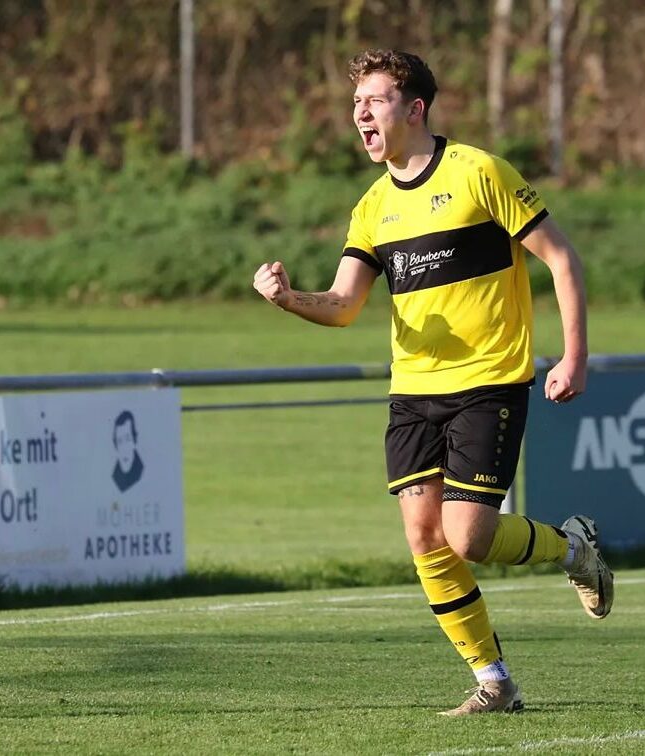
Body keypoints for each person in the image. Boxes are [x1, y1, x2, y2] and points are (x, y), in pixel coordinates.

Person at [252, 49, 613, 716]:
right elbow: (344, 304)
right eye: (356, 102)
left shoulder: (479, 173)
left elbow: (561, 259)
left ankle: (573, 548)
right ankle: (494, 682)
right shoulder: (371, 207)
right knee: (425, 538)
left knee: (468, 538)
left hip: (488, 382)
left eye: (375, 100)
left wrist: (574, 357)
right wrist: (288, 299)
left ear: (414, 109)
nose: (360, 113)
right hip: (413, 392)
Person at [111, 410, 144, 493]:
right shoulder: (114, 477)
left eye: (127, 439)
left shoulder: (143, 472)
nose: (124, 448)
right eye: (120, 441)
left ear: (134, 440)